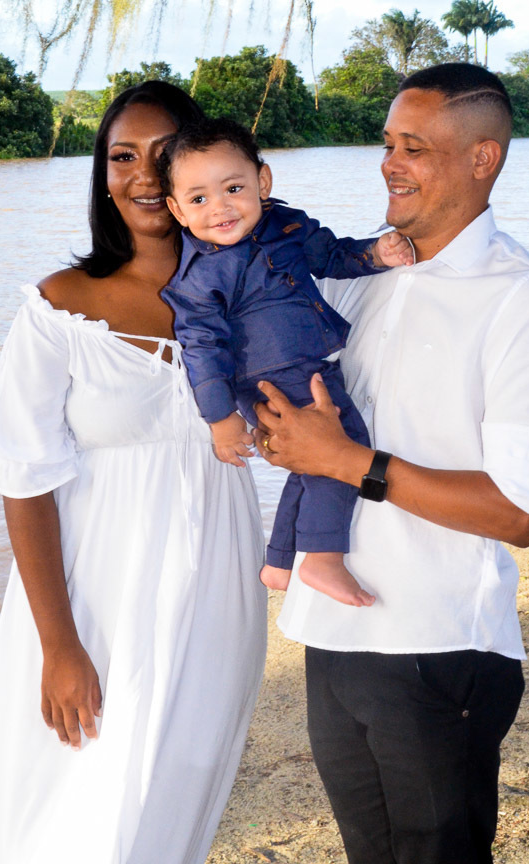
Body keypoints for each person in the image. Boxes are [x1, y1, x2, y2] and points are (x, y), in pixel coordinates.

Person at [254, 63, 529, 864]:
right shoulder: (362, 277)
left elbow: (517, 512)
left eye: (415, 147)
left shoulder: (522, 299)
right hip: (331, 630)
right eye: (388, 142)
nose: (389, 163)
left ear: (483, 159)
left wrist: (351, 461)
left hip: (438, 644)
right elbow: (311, 429)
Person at [0, 82, 267, 864]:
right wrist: (59, 645)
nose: (141, 175)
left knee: (174, 793)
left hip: (215, 586)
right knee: (76, 812)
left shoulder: (250, 296)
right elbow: (25, 481)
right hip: (95, 593)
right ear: (102, 174)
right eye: (121, 156)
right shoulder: (59, 308)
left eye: (164, 155)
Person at [158, 118, 413, 609]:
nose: (220, 208)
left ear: (263, 182)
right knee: (343, 447)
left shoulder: (288, 226)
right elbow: (201, 350)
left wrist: (376, 253)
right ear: (176, 209)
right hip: (269, 378)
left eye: (233, 188)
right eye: (199, 200)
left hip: (308, 362)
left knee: (306, 463)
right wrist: (219, 418)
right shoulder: (198, 278)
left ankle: (279, 560)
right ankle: (322, 558)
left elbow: (334, 256)